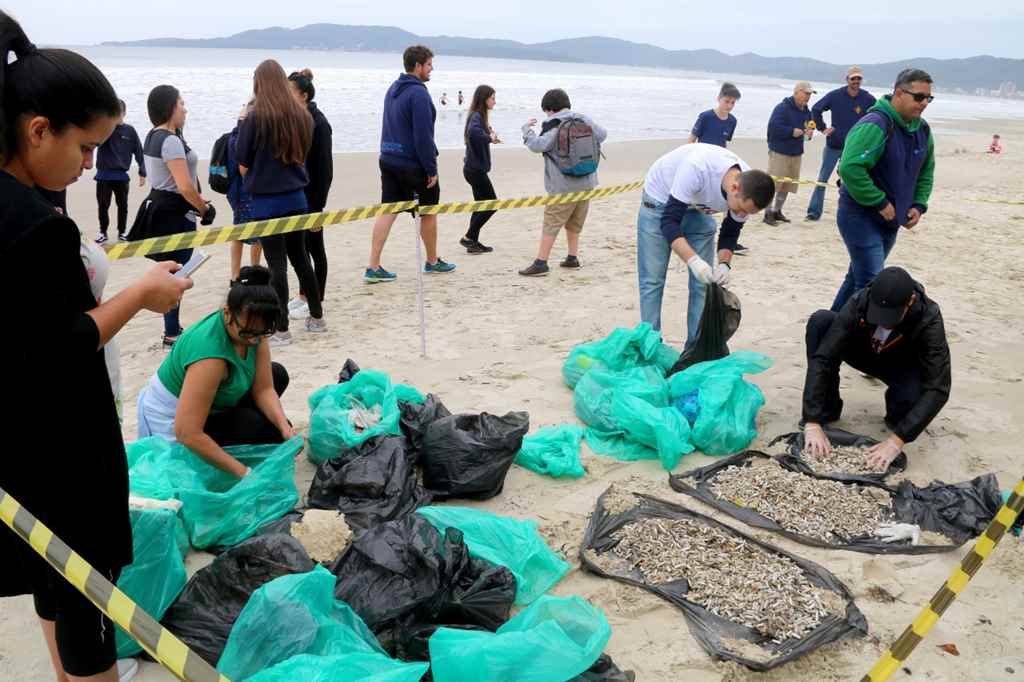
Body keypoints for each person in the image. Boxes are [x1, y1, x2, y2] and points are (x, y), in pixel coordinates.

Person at [0, 13, 192, 681]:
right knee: (85, 611)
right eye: (85, 148)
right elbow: (61, 344)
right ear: (38, 130)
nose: (89, 166)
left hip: (16, 445)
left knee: (51, 586)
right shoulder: (31, 224)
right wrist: (140, 295)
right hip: (61, 452)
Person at [137, 266, 296, 476]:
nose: (254, 340)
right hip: (176, 418)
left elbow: (264, 388)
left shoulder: (254, 326)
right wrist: (244, 473)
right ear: (227, 313)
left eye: (261, 333)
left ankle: (251, 428)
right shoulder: (211, 356)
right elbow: (187, 433)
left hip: (212, 400)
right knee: (258, 427)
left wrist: (284, 427)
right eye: (248, 333)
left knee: (277, 378)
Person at [802, 267, 951, 471]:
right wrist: (812, 421)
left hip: (899, 364)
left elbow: (939, 387)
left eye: (891, 316)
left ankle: (897, 416)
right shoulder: (860, 299)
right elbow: (823, 357)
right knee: (821, 321)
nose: (883, 322)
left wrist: (896, 441)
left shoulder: (929, 317)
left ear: (910, 301)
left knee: (904, 415)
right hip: (864, 352)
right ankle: (827, 409)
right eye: (878, 314)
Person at [637, 143, 774, 342]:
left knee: (703, 284)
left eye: (748, 213)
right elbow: (669, 223)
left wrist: (724, 264)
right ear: (734, 188)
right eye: (742, 209)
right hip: (660, 201)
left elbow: (730, 231)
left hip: (698, 207)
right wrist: (694, 261)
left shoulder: (749, 189)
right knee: (652, 281)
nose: (742, 214)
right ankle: (650, 343)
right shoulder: (697, 168)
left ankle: (696, 347)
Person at [236, 59, 326, 346]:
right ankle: (317, 316)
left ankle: (281, 329)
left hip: (268, 201)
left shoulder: (255, 119)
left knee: (277, 264)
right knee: (300, 258)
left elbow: (242, 161)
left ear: (259, 84)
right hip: (296, 197)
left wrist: (241, 124)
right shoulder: (302, 116)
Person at [830, 68, 935, 312]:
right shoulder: (876, 124)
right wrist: (879, 201)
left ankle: (830, 327)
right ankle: (851, 334)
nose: (924, 103)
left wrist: (918, 205)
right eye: (919, 97)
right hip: (859, 216)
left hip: (891, 220)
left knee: (857, 279)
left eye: (928, 98)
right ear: (899, 93)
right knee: (872, 284)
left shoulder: (922, 130)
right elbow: (850, 168)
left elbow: (926, 172)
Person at [131, 84, 215, 347]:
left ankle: (172, 327)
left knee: (173, 270)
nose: (185, 110)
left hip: (162, 209)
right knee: (177, 273)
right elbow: (184, 187)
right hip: (175, 214)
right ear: (170, 108)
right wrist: (204, 209)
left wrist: (197, 201)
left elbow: (170, 181)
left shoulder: (153, 135)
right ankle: (171, 333)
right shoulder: (170, 140)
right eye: (181, 104)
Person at [366, 45, 456, 282]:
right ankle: (432, 261)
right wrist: (431, 169)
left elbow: (389, 125)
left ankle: (373, 266)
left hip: (388, 157)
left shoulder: (392, 89)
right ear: (417, 66)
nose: (432, 69)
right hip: (412, 164)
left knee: (389, 210)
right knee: (428, 211)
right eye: (429, 64)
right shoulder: (418, 93)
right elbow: (423, 136)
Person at [518, 88, 607, 277]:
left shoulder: (555, 124)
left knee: (551, 222)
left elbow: (537, 145)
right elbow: (602, 135)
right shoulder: (582, 119)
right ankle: (572, 258)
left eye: (546, 111)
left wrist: (526, 129)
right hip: (587, 182)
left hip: (563, 186)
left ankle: (541, 262)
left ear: (550, 109)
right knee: (575, 222)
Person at [287, 68, 334, 320]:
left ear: (304, 95)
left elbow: (325, 170)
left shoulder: (320, 123)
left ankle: (318, 296)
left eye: (290, 92)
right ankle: (304, 293)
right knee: (300, 249)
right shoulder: (295, 119)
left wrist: (318, 205)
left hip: (313, 196)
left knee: (315, 249)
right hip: (296, 194)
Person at [805, 67, 876, 222]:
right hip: (834, 145)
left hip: (854, 148)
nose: (856, 81)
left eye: (858, 79)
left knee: (853, 181)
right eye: (853, 78)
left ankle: (853, 213)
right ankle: (813, 212)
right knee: (822, 179)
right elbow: (816, 109)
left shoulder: (867, 98)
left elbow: (878, 115)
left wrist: (868, 137)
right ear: (847, 79)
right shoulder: (835, 95)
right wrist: (823, 128)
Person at [764, 81, 816, 225]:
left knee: (787, 184)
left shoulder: (807, 111)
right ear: (796, 92)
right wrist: (791, 131)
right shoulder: (782, 108)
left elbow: (808, 130)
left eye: (810, 94)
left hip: (796, 152)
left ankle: (777, 210)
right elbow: (773, 128)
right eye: (806, 93)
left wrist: (809, 134)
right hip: (779, 151)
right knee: (773, 183)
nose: (808, 97)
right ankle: (767, 213)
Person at [94, 99, 145, 243]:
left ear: (124, 113)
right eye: (113, 112)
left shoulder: (130, 131)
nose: (116, 115)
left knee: (123, 206)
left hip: (121, 176)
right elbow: (92, 141)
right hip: (103, 175)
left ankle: (122, 232)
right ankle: (103, 232)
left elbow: (139, 152)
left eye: (118, 112)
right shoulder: (103, 129)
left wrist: (142, 171)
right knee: (103, 206)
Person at [460, 84, 501, 254]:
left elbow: (478, 134)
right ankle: (468, 237)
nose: (495, 101)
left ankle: (473, 243)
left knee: (481, 206)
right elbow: (474, 133)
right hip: (474, 170)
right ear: (484, 99)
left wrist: (490, 136)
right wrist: (489, 138)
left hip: (473, 169)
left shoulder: (478, 116)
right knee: (492, 204)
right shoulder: (477, 116)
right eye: (492, 98)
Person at [226, 100, 263, 283]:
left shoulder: (235, 136)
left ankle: (238, 275)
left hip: (238, 193)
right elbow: (243, 168)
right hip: (245, 192)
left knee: (241, 234)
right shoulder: (240, 137)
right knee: (253, 235)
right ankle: (244, 273)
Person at [688, 82, 740, 148]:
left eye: (733, 103)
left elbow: (723, 142)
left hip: (719, 154)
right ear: (718, 98)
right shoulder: (705, 116)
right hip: (702, 153)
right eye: (726, 101)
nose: (729, 106)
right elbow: (691, 140)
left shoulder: (732, 121)